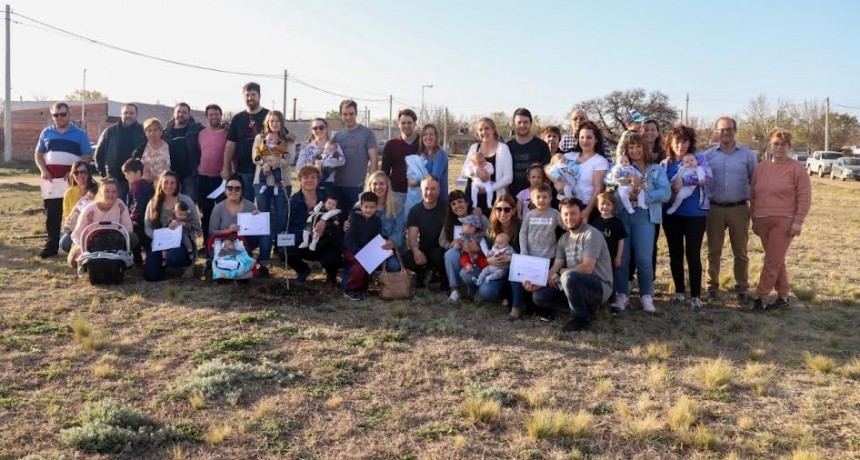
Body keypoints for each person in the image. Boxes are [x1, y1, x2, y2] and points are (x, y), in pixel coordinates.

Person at [605, 133, 670, 313]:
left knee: (643, 258)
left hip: (645, 216)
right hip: (622, 215)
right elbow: (608, 180)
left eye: (638, 146)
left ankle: (646, 296)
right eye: (631, 147)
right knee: (622, 258)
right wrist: (624, 180)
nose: (634, 150)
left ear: (644, 147)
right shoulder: (622, 166)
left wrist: (644, 195)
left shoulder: (656, 169)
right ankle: (622, 295)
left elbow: (665, 192)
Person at [528, 198, 614, 332]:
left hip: (599, 287)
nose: (569, 218)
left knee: (568, 277)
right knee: (539, 297)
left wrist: (561, 272)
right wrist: (537, 283)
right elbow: (555, 267)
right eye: (565, 214)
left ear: (581, 214)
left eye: (573, 213)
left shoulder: (591, 234)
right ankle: (585, 309)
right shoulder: (563, 239)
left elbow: (587, 268)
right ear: (561, 217)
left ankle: (581, 319)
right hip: (575, 286)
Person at [750, 128, 811, 311]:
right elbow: (753, 194)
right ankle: (783, 298)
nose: (779, 147)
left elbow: (804, 198)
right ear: (770, 145)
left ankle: (759, 296)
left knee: (772, 260)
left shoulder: (797, 170)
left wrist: (798, 221)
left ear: (789, 147)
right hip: (761, 220)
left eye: (783, 144)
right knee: (776, 259)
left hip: (784, 221)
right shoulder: (761, 167)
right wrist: (753, 217)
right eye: (776, 144)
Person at [705, 117, 758, 303]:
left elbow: (755, 182)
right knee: (713, 251)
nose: (725, 133)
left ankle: (742, 289)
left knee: (740, 251)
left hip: (739, 208)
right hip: (715, 209)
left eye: (729, 129)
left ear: (735, 131)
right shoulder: (708, 155)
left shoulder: (747, 155)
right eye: (721, 130)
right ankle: (711, 287)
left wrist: (754, 207)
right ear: (716, 132)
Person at [660, 125, 713, 312]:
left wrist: (684, 181)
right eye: (677, 142)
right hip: (672, 215)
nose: (680, 145)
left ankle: (696, 296)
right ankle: (679, 292)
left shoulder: (699, 159)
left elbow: (707, 176)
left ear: (690, 143)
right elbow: (661, 185)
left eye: (684, 141)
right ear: (670, 143)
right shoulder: (665, 164)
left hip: (696, 214)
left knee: (693, 253)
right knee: (675, 253)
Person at [34, 101, 93, 258]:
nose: (59, 117)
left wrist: (72, 172)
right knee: (52, 214)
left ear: (69, 114)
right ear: (52, 115)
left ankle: (76, 243)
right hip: (51, 181)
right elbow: (39, 154)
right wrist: (43, 170)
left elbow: (87, 154)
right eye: (56, 115)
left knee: (75, 213)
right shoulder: (46, 133)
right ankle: (51, 246)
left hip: (72, 181)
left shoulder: (80, 134)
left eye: (62, 114)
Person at [252, 110, 295, 269]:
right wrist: (266, 163)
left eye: (277, 121)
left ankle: (284, 255)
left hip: (282, 183)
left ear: (282, 123)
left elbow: (289, 159)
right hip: (262, 184)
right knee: (265, 221)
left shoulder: (288, 139)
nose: (274, 123)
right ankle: (264, 260)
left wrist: (272, 163)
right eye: (272, 121)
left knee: (282, 220)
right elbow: (255, 157)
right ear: (267, 123)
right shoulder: (260, 138)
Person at [287, 165, 343, 285]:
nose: (309, 180)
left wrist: (325, 225)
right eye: (306, 177)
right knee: (284, 248)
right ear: (300, 180)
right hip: (303, 240)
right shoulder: (294, 200)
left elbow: (337, 217)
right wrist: (306, 232)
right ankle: (303, 270)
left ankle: (331, 274)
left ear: (318, 180)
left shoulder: (327, 196)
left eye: (313, 177)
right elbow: (290, 226)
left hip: (324, 241)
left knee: (337, 243)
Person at [143, 171, 201, 281]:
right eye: (166, 182)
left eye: (172, 183)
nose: (169, 186)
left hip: (181, 241)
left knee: (174, 257)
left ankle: (183, 264)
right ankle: (164, 265)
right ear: (160, 184)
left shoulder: (186, 201)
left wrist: (182, 224)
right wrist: (159, 236)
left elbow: (196, 225)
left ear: (177, 185)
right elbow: (147, 227)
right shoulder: (153, 202)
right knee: (151, 276)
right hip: (160, 243)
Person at [68, 178, 137, 267]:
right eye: (107, 191)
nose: (110, 194)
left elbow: (128, 228)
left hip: (113, 241)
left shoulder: (120, 205)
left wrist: (119, 241)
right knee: (73, 261)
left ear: (117, 193)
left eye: (113, 192)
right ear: (100, 192)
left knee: (133, 237)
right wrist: (82, 248)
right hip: (91, 242)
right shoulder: (89, 209)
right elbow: (77, 234)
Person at [477, 195, 525, 319]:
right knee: (486, 292)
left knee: (515, 269)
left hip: (516, 269)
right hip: (497, 269)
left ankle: (516, 307)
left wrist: (511, 258)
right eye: (499, 209)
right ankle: (506, 293)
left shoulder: (521, 227)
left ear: (514, 211)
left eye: (507, 209)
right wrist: (489, 260)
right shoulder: (491, 228)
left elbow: (526, 253)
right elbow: (486, 252)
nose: (502, 213)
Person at [223, 82, 270, 202]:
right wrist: (225, 167)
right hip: (243, 171)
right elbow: (230, 144)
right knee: (245, 207)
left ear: (259, 96)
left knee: (264, 207)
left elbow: (282, 137)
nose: (250, 98)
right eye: (247, 95)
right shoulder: (238, 118)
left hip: (264, 171)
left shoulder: (269, 116)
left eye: (253, 94)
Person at [343, 192, 392, 301]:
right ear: (361, 206)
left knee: (369, 262)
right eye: (366, 207)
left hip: (367, 250)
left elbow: (376, 238)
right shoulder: (354, 218)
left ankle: (362, 287)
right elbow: (348, 239)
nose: (369, 210)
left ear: (376, 207)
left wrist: (383, 245)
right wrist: (359, 253)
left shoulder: (377, 222)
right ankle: (350, 290)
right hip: (351, 250)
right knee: (361, 263)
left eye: (372, 207)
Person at [441, 190, 488, 302]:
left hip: (477, 257)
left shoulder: (479, 218)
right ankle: (455, 290)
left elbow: (490, 238)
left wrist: (478, 248)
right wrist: (451, 244)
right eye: (453, 204)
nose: (457, 206)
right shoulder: (450, 221)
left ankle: (475, 289)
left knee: (466, 273)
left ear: (467, 202)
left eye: (460, 201)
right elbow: (441, 240)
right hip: (461, 254)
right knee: (450, 254)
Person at [332, 99, 378, 213]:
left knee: (356, 221)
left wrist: (370, 183)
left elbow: (374, 159)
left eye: (351, 114)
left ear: (356, 113)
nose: (348, 117)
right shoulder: (337, 136)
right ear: (341, 115)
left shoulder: (367, 133)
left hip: (358, 187)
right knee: (339, 223)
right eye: (345, 114)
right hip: (338, 186)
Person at [559, 120, 609, 223]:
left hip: (586, 207)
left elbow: (598, 189)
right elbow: (549, 167)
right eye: (582, 137)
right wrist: (557, 182)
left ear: (596, 140)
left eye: (589, 137)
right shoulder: (569, 156)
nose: (585, 141)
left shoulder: (600, 161)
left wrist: (587, 211)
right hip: (566, 206)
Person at [94, 103, 146, 202]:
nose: (128, 115)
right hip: (115, 180)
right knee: (115, 209)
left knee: (135, 210)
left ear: (136, 115)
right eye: (125, 113)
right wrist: (105, 175)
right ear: (121, 114)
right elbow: (98, 155)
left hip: (137, 180)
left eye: (131, 113)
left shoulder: (143, 132)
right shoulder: (110, 132)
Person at [461, 117, 513, 216]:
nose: (483, 132)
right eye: (480, 129)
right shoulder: (474, 148)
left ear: (494, 130)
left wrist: (489, 188)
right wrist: (476, 171)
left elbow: (508, 178)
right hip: (472, 198)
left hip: (493, 199)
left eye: (487, 128)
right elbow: (463, 172)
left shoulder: (503, 149)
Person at [403, 176, 447, 288]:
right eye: (426, 188)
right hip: (424, 249)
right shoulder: (415, 211)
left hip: (441, 249)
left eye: (433, 189)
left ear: (439, 190)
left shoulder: (446, 209)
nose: (429, 192)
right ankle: (421, 274)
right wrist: (416, 250)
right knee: (408, 257)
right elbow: (412, 237)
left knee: (438, 255)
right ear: (421, 190)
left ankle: (440, 275)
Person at [197, 104, 229, 245]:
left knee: (222, 212)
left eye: (216, 114)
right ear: (207, 117)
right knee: (206, 213)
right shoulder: (201, 133)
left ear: (221, 116)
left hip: (221, 180)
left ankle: (222, 242)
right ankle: (207, 243)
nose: (214, 116)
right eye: (211, 114)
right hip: (203, 178)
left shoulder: (227, 133)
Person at [208, 174, 262, 259]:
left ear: (242, 191)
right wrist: (228, 230)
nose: (233, 191)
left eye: (237, 189)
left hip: (243, 242)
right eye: (230, 188)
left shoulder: (250, 206)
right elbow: (211, 231)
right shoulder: (218, 208)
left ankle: (262, 262)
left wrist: (257, 218)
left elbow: (257, 231)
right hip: (223, 242)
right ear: (225, 191)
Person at [591, 193, 627, 315]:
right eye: (602, 204)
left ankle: (613, 303)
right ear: (597, 205)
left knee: (612, 280)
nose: (605, 207)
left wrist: (618, 256)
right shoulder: (594, 222)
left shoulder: (617, 222)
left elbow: (621, 240)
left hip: (610, 258)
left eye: (608, 204)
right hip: (596, 258)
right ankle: (598, 300)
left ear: (613, 206)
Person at [162, 102, 204, 202]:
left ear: (189, 115)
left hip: (190, 175)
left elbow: (212, 130)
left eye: (184, 112)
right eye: (178, 112)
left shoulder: (197, 129)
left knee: (188, 204)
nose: (181, 114)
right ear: (174, 113)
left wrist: (225, 125)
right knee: (171, 203)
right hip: (171, 175)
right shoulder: (165, 132)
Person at [506, 108, 551, 197]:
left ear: (531, 123)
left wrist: (540, 195)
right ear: (514, 124)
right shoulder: (507, 147)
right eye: (519, 122)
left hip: (536, 199)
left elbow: (548, 175)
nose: (522, 125)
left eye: (525, 122)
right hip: (512, 198)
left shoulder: (541, 146)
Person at [381, 109, 420, 211]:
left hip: (418, 193)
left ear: (415, 124)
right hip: (396, 194)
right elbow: (384, 171)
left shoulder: (422, 144)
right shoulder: (391, 145)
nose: (406, 125)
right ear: (398, 124)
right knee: (397, 226)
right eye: (403, 123)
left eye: (409, 123)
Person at [364, 171, 407, 258]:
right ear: (370, 186)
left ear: (387, 186)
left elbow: (398, 232)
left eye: (381, 184)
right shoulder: (360, 206)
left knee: (393, 266)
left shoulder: (398, 206)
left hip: (389, 248)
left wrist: (391, 242)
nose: (378, 187)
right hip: (366, 248)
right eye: (375, 184)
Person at [60, 160, 99, 253]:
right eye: (76, 173)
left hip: (94, 225)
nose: (80, 175)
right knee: (64, 244)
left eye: (83, 172)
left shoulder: (98, 189)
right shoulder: (68, 193)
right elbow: (67, 215)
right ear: (72, 175)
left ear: (88, 173)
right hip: (75, 226)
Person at [122, 158, 154, 266]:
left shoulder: (137, 186)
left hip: (139, 220)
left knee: (137, 241)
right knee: (147, 241)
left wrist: (133, 218)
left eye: (128, 174)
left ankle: (138, 260)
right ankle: (150, 259)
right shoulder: (146, 184)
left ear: (138, 173)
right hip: (147, 218)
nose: (126, 176)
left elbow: (138, 203)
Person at [519, 184, 564, 260]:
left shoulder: (555, 213)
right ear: (532, 199)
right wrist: (524, 251)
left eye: (545, 197)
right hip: (531, 255)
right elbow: (523, 233)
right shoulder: (529, 215)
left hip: (549, 256)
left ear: (550, 199)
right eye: (538, 197)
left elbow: (566, 225)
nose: (541, 200)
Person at [135, 118, 171, 183]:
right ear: (145, 133)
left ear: (161, 131)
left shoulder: (170, 147)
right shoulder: (139, 150)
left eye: (155, 130)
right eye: (149, 130)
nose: (152, 133)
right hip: (145, 187)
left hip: (165, 186)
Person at [420, 124, 449, 200]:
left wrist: (414, 182)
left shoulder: (440, 153)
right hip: (426, 197)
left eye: (431, 134)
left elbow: (434, 177)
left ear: (436, 137)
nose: (428, 137)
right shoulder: (422, 154)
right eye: (425, 134)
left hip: (438, 199)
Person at [165, 200, 196, 265]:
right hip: (172, 236)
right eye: (180, 214)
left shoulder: (187, 219)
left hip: (183, 234)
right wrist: (171, 223)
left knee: (185, 238)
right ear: (174, 212)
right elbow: (167, 226)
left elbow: (190, 227)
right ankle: (163, 258)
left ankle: (190, 251)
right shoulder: (171, 218)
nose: (182, 216)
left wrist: (183, 224)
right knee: (164, 246)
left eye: (185, 214)